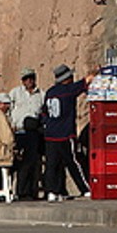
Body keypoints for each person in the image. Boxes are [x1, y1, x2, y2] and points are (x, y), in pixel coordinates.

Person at [41, 64, 88, 202]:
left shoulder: (50, 92)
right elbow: (85, 82)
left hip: (50, 135)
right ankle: (85, 188)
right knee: (74, 162)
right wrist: (97, 72)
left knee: (52, 165)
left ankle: (51, 191)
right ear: (67, 79)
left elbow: (43, 112)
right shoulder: (68, 91)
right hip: (65, 134)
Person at [8, 69, 46, 200]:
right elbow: (9, 111)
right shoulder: (15, 93)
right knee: (19, 163)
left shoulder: (41, 95)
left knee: (33, 163)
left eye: (31, 78)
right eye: (25, 79)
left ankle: (30, 191)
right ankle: (19, 191)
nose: (28, 81)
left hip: (34, 133)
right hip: (18, 131)